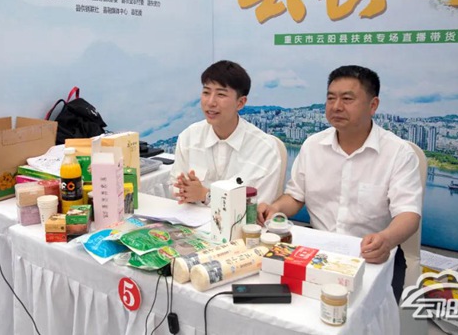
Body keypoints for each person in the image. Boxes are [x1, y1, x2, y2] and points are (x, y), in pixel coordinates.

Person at [257, 65, 423, 303]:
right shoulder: (313, 146)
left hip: (372, 254)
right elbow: (295, 196)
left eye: (347, 99)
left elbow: (408, 214)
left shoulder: (398, 153)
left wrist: (386, 239)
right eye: (331, 98)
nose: (336, 106)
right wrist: (275, 209)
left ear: (373, 105)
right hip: (317, 250)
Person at [170, 60, 283, 206]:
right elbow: (175, 187)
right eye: (206, 92)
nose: (210, 102)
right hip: (189, 219)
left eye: (221, 95)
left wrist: (206, 196)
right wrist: (184, 190)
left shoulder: (264, 148)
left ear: (240, 103)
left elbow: (256, 208)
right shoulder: (189, 137)